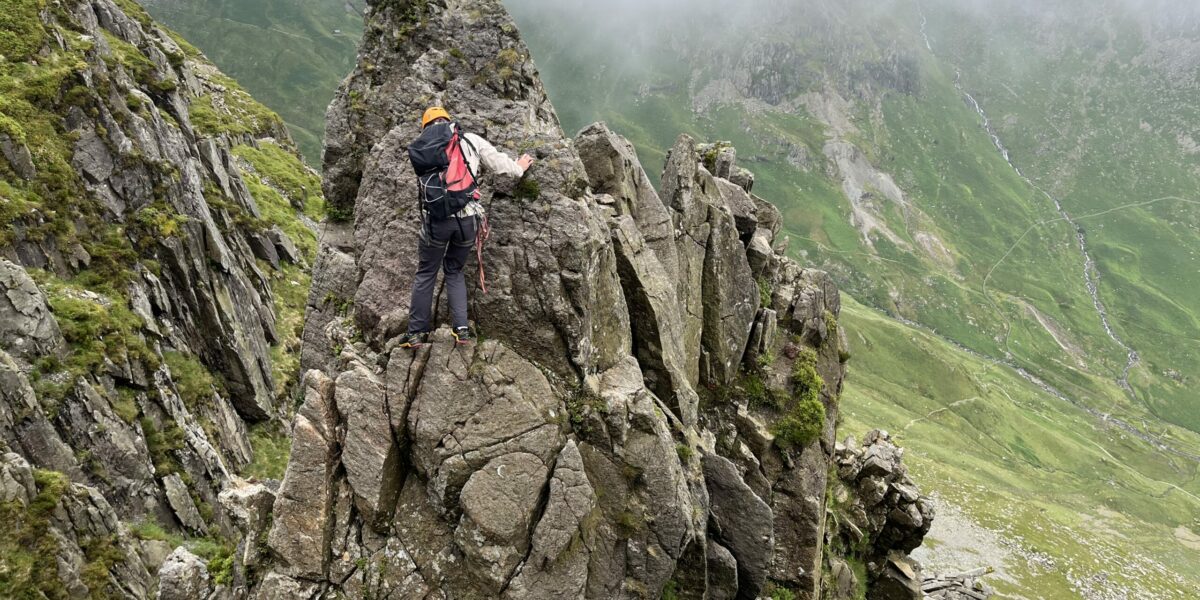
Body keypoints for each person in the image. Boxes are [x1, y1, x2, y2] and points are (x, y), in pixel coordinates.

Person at [397, 107, 534, 348]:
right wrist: (520, 166)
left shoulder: (423, 148)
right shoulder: (469, 140)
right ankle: (462, 329)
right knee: (454, 270)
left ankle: (417, 332)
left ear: (425, 127)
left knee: (426, 273)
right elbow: (501, 165)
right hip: (467, 220)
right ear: (449, 122)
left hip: (436, 222)